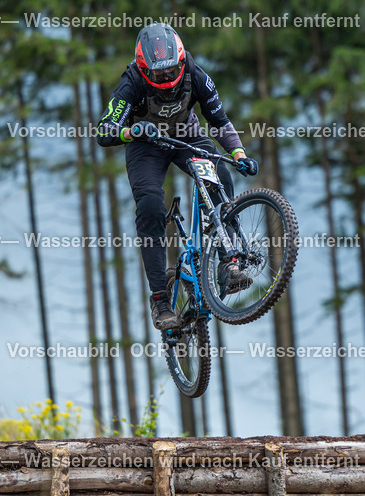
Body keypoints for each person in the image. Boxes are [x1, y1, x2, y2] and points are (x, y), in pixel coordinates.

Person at [97, 22, 258, 330]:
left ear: (182, 62)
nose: (168, 80)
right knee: (151, 207)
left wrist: (238, 153)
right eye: (159, 75)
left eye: (172, 71)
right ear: (144, 71)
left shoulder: (195, 74)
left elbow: (219, 120)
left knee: (219, 179)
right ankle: (160, 299)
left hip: (187, 136)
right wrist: (131, 131)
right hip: (146, 146)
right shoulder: (130, 81)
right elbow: (105, 131)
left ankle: (229, 260)